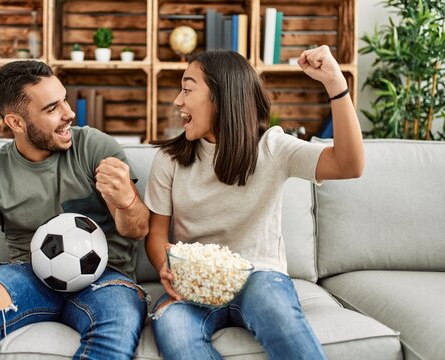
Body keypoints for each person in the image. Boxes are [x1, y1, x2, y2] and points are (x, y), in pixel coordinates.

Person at [144, 46, 364, 359]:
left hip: (259, 276)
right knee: (172, 325)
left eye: (187, 89)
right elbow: (156, 235)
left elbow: (349, 165)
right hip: (196, 283)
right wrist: (165, 265)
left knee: (278, 314)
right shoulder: (169, 159)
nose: (178, 100)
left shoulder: (273, 148)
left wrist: (335, 84)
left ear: (221, 99)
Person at [0, 60, 150, 360]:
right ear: (16, 123)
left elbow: (136, 229)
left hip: (106, 277)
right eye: (52, 108)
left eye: (64, 100)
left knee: (120, 323)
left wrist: (127, 200)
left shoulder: (94, 147)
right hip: (31, 275)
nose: (69, 113)